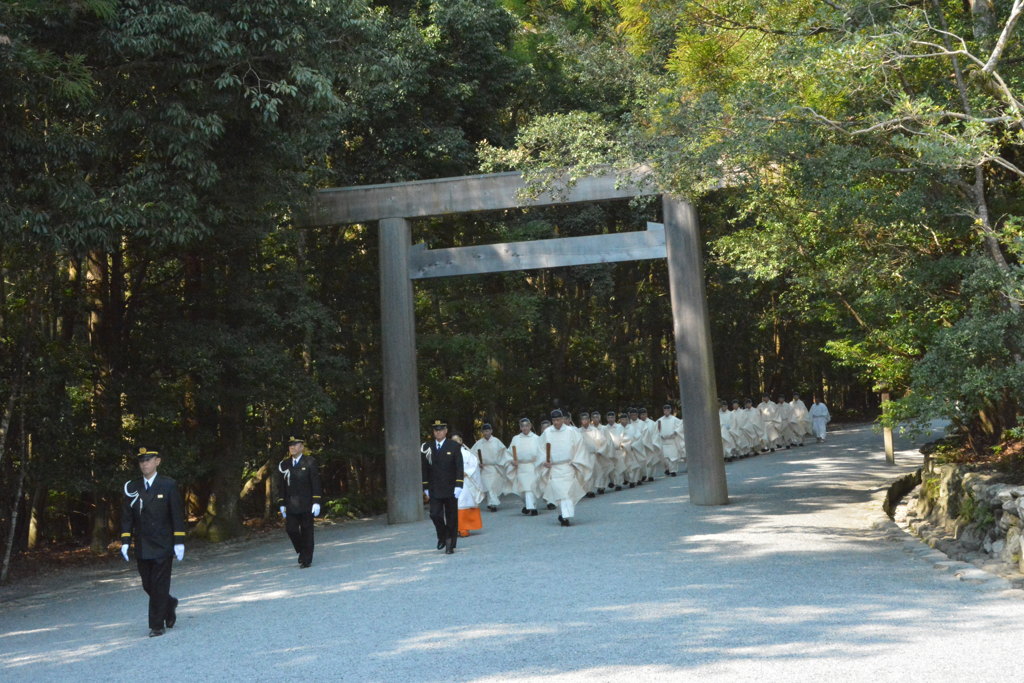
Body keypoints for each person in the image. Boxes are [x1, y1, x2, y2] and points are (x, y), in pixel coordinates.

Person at [120, 447, 186, 638]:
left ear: (157, 462)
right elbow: (126, 517)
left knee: (159, 584)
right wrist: (125, 540)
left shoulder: (168, 485)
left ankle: (156, 625)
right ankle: (169, 603)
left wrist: (179, 541)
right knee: (148, 585)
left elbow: (176, 514)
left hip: (163, 543)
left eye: (148, 460)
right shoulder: (132, 487)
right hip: (142, 543)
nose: (144, 464)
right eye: (141, 461)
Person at [536, 409, 591, 526]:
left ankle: (565, 516)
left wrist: (576, 461)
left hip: (568, 466)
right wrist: (544, 461)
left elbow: (580, 446)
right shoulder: (547, 433)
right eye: (554, 420)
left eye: (558, 419)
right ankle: (564, 515)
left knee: (568, 492)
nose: (556, 422)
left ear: (562, 419)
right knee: (559, 494)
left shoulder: (571, 431)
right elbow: (540, 449)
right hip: (554, 468)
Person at [275, 436, 322, 568]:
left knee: (307, 531)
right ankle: (303, 550)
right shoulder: (284, 464)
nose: (292, 447)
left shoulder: (310, 461)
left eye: (295, 445)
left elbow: (315, 482)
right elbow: (281, 486)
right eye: (290, 445)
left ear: (302, 447)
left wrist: (316, 501)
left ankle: (306, 559)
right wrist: (282, 504)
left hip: (307, 503)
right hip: (291, 504)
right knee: (291, 530)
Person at [421, 418, 464, 554]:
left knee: (451, 516)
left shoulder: (454, 446)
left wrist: (459, 485)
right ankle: (443, 535)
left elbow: (459, 467)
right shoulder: (427, 447)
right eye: (436, 430)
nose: (438, 433)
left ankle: (450, 543)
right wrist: (425, 486)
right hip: (435, 487)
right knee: (435, 514)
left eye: (441, 430)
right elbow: (424, 468)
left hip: (451, 487)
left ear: (446, 431)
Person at [470, 423, 512, 512]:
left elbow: (503, 452)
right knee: (488, 486)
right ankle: (492, 504)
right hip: (485, 468)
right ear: (482, 432)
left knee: (494, 486)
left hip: (495, 467)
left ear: (491, 431)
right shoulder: (479, 443)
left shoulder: (496, 441)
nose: (486, 433)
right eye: (484, 431)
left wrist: (503, 462)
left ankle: (491, 502)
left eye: (488, 430)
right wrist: (478, 463)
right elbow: (473, 455)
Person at [450, 431, 484, 538]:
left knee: (463, 503)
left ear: (461, 441)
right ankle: (455, 528)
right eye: (453, 441)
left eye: (458, 440)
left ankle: (464, 528)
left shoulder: (467, 453)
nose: (456, 442)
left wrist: (466, 472)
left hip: (465, 482)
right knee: (452, 505)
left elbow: (474, 466)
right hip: (452, 482)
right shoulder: (447, 454)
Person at [508, 417, 542, 516]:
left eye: (527, 426)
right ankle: (528, 504)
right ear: (520, 427)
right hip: (521, 467)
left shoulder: (536, 438)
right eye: (522, 426)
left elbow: (541, 452)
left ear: (530, 426)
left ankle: (533, 508)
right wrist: (512, 461)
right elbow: (509, 453)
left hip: (532, 466)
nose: (525, 428)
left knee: (531, 488)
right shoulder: (516, 439)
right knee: (522, 490)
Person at [656, 403, 686, 476]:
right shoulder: (660, 420)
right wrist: (659, 434)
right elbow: (656, 429)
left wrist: (675, 432)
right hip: (663, 441)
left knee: (673, 457)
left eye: (668, 410)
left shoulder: (674, 419)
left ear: (670, 410)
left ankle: (673, 471)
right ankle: (668, 469)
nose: (666, 411)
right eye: (665, 410)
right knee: (665, 457)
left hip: (672, 440)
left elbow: (681, 426)